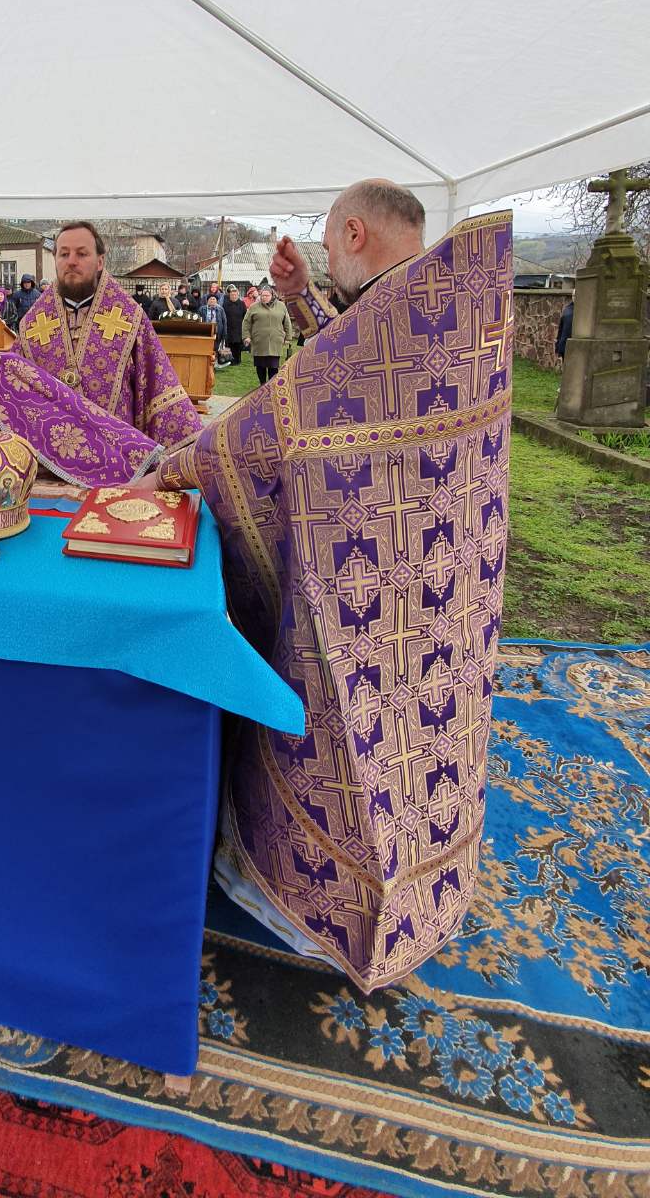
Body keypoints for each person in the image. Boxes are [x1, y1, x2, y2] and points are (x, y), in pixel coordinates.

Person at [155, 179, 513, 991]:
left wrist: (169, 469)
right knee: (418, 739)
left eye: (326, 244)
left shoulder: (394, 318)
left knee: (349, 721)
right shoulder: (447, 305)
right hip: (440, 579)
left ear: (354, 232)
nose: (322, 255)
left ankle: (330, 899)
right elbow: (354, 369)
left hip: (368, 587)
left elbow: (271, 425)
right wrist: (301, 298)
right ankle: (427, 877)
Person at [0, 222, 201, 475]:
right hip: (47, 467)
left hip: (118, 466)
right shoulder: (33, 324)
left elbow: (157, 385)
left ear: (100, 261)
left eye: (82, 253)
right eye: (64, 254)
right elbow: (11, 389)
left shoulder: (129, 318)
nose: (71, 261)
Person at [245, 284, 291, 384]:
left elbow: (287, 322)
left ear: (272, 295)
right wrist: (246, 336)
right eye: (262, 295)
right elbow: (246, 322)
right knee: (260, 365)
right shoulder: (254, 307)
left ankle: (271, 385)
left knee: (273, 366)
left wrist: (288, 337)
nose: (264, 297)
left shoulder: (281, 306)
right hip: (259, 341)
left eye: (266, 295)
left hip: (275, 341)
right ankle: (262, 384)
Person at [203, 291, 229, 367]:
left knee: (216, 348)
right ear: (207, 300)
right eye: (210, 299)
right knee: (206, 348)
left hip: (218, 331)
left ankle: (215, 363)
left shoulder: (220, 309)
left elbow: (224, 321)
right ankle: (206, 363)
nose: (212, 300)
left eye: (214, 299)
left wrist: (224, 333)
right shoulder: (202, 309)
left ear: (216, 301)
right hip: (206, 332)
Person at [224, 285, 246, 364]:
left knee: (237, 344)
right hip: (229, 327)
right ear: (229, 296)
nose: (233, 296)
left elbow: (245, 315)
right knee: (229, 344)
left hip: (238, 327)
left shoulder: (242, 304)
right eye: (232, 295)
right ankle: (229, 360)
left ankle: (237, 360)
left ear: (237, 295)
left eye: (235, 295)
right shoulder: (225, 304)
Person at [555, 294, 575, 361]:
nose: (574, 297)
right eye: (573, 295)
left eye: (576, 295)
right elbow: (561, 329)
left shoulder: (585, 310)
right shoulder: (567, 309)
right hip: (565, 345)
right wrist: (558, 346)